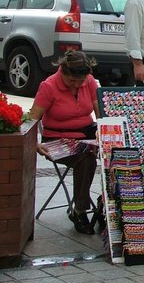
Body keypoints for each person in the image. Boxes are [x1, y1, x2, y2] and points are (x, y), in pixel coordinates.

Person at [29, 51, 100, 235]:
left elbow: (98, 109)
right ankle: (80, 210)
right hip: (56, 138)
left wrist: (103, 129)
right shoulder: (49, 86)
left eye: (80, 82)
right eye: (71, 81)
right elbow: (33, 118)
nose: (77, 85)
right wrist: (34, 144)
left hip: (85, 133)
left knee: (117, 152)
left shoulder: (89, 81)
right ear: (63, 73)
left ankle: (108, 205)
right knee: (86, 159)